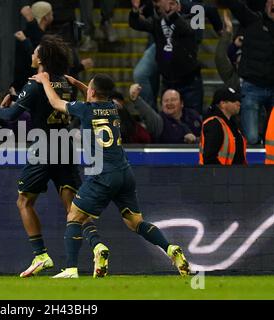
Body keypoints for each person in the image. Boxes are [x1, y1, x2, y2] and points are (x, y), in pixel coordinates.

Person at [31, 72, 190, 278]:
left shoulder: (85, 110)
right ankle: (170, 249)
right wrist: (78, 84)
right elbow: (96, 95)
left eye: (88, 88)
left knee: (74, 216)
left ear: (92, 92)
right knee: (135, 223)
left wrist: (44, 80)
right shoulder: (113, 108)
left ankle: (70, 269)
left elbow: (55, 102)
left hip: (102, 174)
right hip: (124, 173)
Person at [0, 35, 107, 278]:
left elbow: (11, 115)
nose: (32, 55)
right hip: (65, 145)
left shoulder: (36, 82)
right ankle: (97, 245)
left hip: (43, 147)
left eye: (35, 52)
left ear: (42, 58)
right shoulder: (66, 83)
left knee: (24, 201)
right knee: (73, 208)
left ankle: (41, 255)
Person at [129, 0, 204, 115]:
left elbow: (187, 30)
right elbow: (137, 24)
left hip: (189, 83)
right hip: (168, 82)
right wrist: (135, 11)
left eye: (159, 2)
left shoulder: (191, 17)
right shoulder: (158, 22)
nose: (157, 5)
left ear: (176, 5)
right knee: (169, 124)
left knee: (193, 121)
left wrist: (171, 13)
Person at [215, 0, 274, 144]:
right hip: (251, 87)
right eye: (271, 1)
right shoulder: (252, 20)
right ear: (265, 4)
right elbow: (236, 5)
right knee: (252, 138)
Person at [128, 85, 202, 144]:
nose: (169, 103)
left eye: (173, 100)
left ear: (182, 103)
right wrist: (136, 99)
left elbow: (206, 137)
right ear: (161, 105)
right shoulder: (159, 122)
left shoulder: (193, 115)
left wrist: (196, 140)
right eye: (166, 101)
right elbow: (147, 113)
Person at [199, 86, 247, 165]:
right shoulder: (214, 124)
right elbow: (209, 158)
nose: (239, 103)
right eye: (234, 100)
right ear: (222, 104)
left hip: (231, 174)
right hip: (219, 174)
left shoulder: (232, 124)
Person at [12, 2, 53, 93]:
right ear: (45, 17)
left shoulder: (29, 36)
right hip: (27, 85)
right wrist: (31, 21)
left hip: (33, 83)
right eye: (50, 13)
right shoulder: (25, 37)